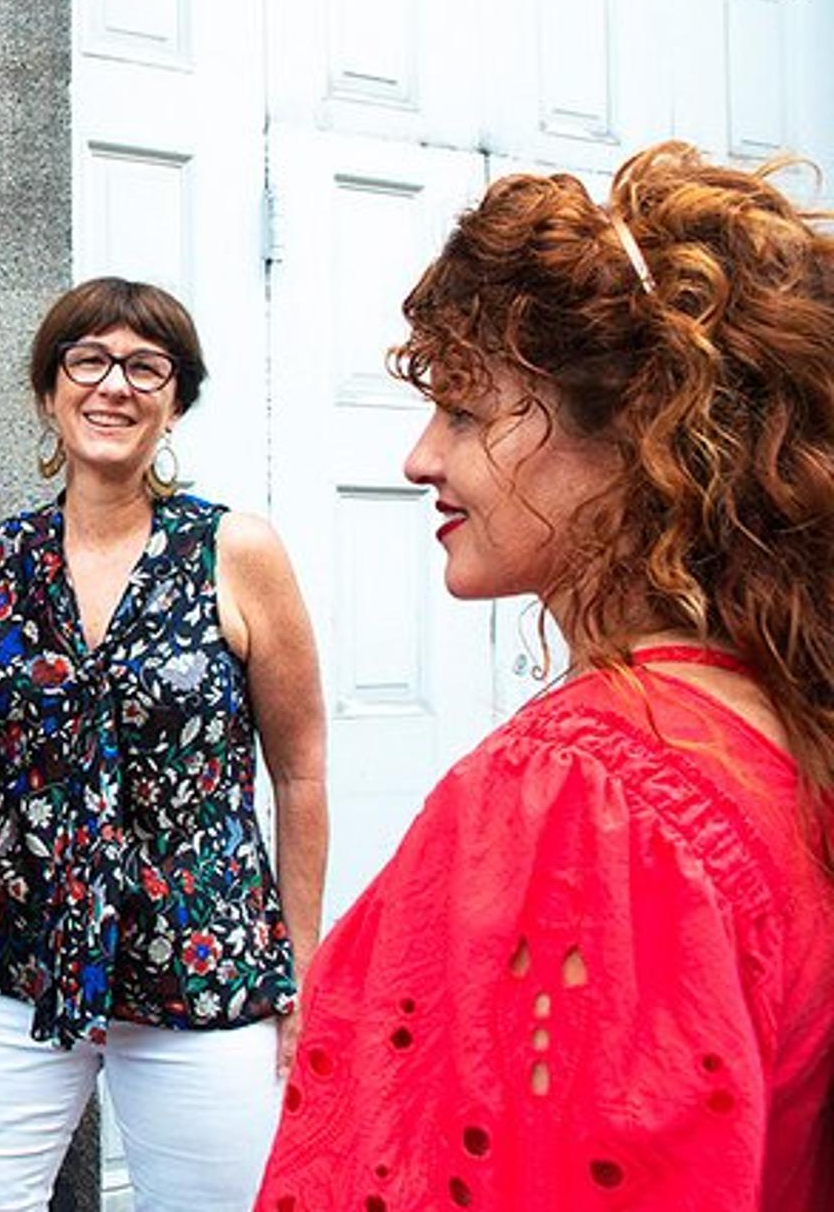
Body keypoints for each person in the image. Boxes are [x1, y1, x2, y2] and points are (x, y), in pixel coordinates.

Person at [256, 143, 834, 1210]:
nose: (418, 457)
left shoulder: (584, 797)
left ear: (639, 437)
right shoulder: (771, 722)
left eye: (467, 412)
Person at [0, 277, 329, 1211]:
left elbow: (300, 772)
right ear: (49, 391)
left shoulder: (238, 551)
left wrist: (299, 968)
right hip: (13, 958)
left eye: (147, 366)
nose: (116, 385)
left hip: (202, 959)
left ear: (176, 400)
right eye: (89, 360)